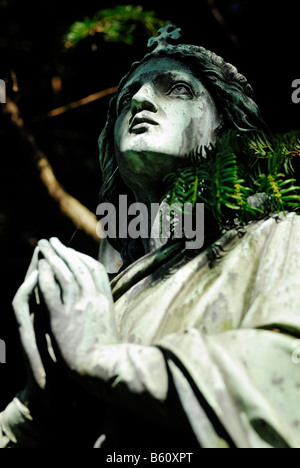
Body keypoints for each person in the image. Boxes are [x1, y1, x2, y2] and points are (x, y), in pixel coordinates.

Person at [1, 25, 300, 449]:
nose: (140, 100)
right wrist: (36, 406)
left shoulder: (276, 237)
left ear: (223, 128)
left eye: (175, 88)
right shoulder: (98, 298)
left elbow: (287, 377)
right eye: (127, 99)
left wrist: (103, 361)